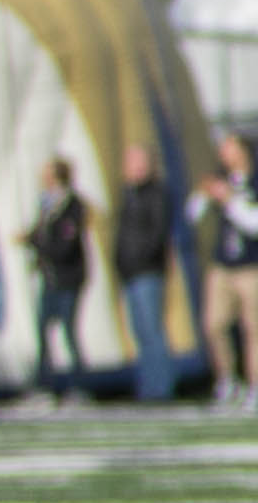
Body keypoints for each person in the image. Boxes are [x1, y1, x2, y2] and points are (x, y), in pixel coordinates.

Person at [198, 135, 258, 408]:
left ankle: (256, 385)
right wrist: (204, 194)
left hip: (252, 267)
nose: (223, 153)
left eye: (229, 148)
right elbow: (192, 215)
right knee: (213, 324)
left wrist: (230, 200)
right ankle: (227, 379)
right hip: (222, 266)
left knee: (253, 328)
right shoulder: (221, 178)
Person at [107, 141, 180, 403]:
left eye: (137, 162)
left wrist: (140, 259)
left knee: (152, 331)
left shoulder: (156, 193)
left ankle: (160, 388)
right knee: (140, 332)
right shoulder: (128, 194)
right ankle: (148, 387)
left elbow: (157, 234)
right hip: (130, 273)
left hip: (147, 271)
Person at [25, 157, 91, 390]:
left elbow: (65, 244)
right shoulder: (46, 205)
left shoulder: (72, 205)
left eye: (47, 173)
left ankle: (79, 385)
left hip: (68, 277)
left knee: (68, 331)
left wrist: (40, 246)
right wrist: (31, 239)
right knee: (42, 330)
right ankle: (44, 385)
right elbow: (41, 234)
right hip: (50, 277)